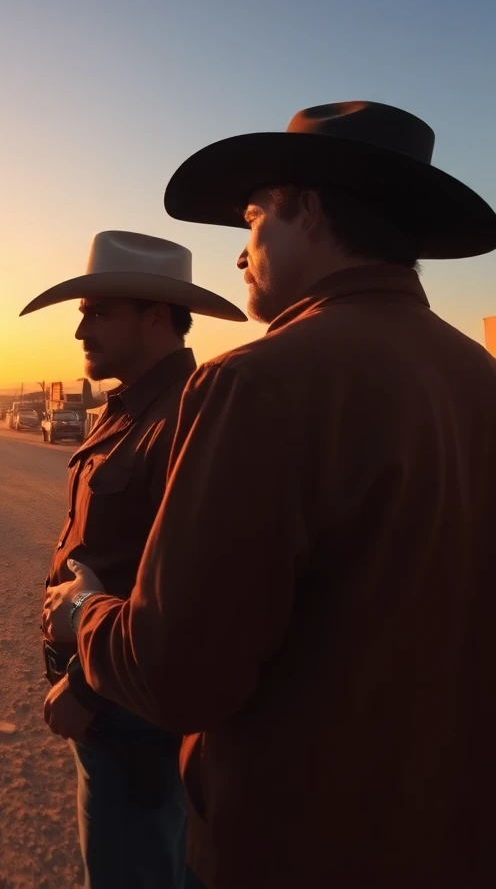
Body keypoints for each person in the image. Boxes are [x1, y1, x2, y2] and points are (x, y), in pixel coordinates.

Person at [44, 101, 496, 889]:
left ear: (309, 211)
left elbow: (180, 673)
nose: (245, 254)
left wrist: (84, 616)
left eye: (254, 219)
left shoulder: (256, 380)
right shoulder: (476, 377)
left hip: (296, 843)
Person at [21, 230, 245, 889]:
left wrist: (88, 687)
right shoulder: (127, 407)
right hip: (112, 703)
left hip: (128, 706)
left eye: (98, 312)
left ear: (155, 316)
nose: (80, 329)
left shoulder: (189, 413)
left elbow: (188, 592)